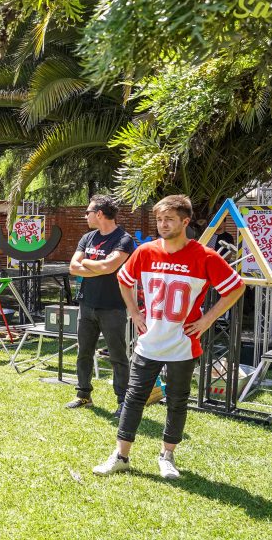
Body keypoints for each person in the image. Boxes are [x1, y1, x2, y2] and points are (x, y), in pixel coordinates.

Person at [93, 195, 245, 479]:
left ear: (185, 222)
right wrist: (135, 313)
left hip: (183, 344)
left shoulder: (205, 256)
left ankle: (167, 456)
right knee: (134, 398)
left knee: (177, 401)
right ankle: (121, 455)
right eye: (160, 219)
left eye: (169, 220)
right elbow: (123, 280)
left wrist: (207, 319)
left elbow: (236, 288)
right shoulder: (145, 251)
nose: (163, 225)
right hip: (148, 342)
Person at [67, 195, 135, 418]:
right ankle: (83, 394)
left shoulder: (123, 239)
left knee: (117, 356)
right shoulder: (88, 237)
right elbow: (72, 268)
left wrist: (87, 262)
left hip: (113, 307)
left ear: (99, 214)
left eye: (87, 212)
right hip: (87, 304)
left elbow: (109, 266)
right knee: (83, 352)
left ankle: (123, 401)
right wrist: (96, 267)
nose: (85, 215)